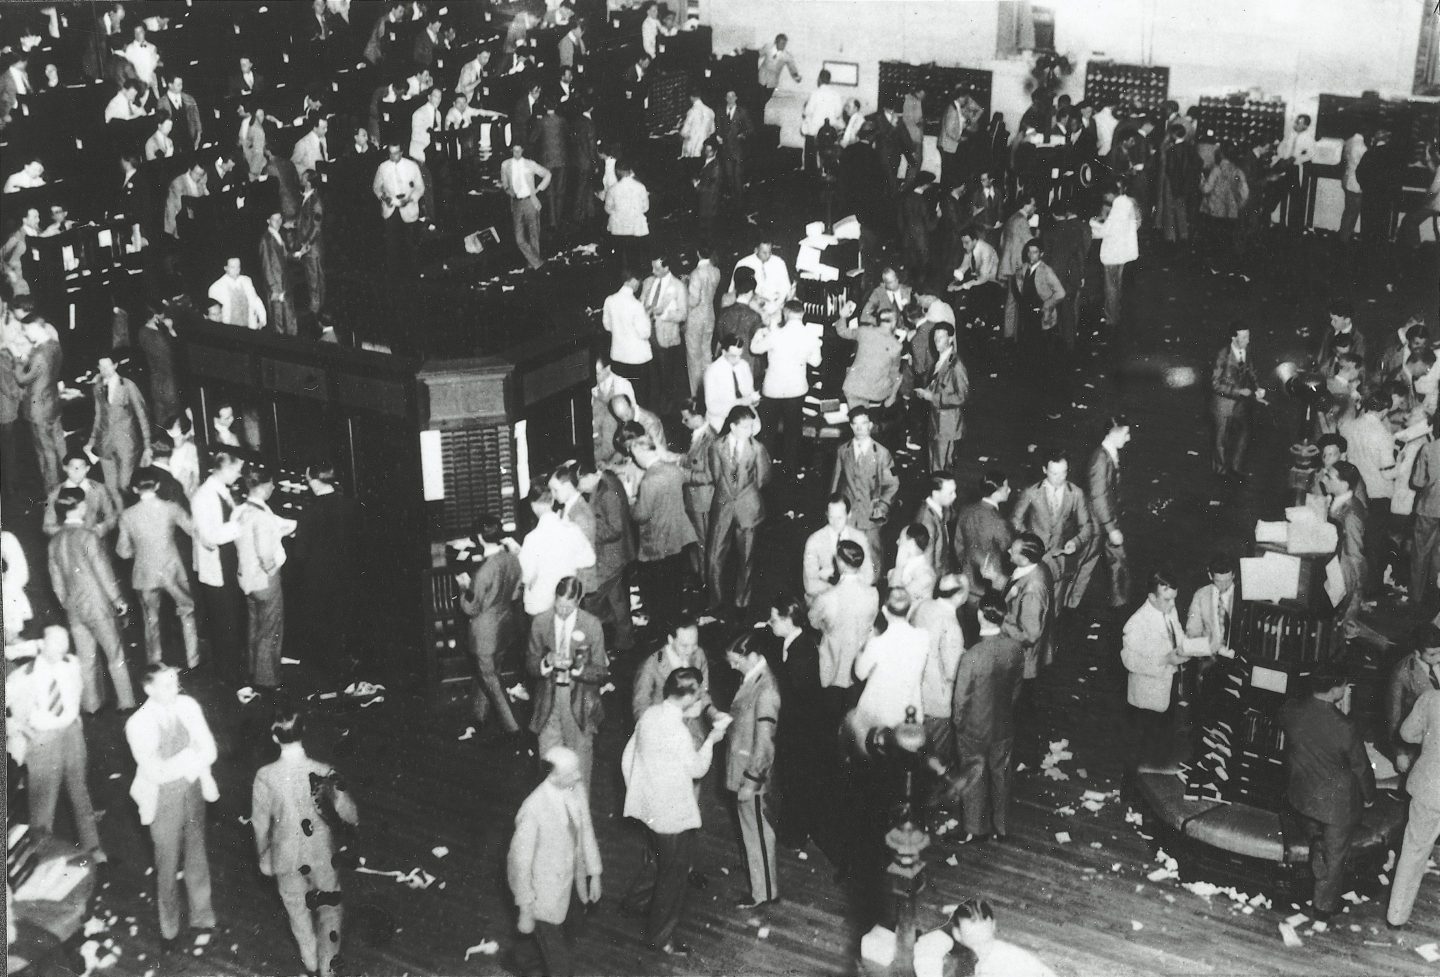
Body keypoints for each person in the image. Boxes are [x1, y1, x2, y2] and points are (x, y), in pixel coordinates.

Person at [622, 667, 731, 956]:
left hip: (649, 808)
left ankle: (635, 902)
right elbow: (697, 768)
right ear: (689, 696)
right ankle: (660, 938)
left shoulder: (650, 716)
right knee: (674, 875)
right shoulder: (678, 732)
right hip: (671, 815)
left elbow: (629, 755)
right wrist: (711, 740)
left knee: (658, 859)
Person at [251, 701, 358, 977]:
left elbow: (260, 822)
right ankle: (327, 965)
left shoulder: (264, 777)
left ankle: (309, 958)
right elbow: (350, 815)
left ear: (274, 737)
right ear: (304, 731)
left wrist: (264, 855)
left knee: (296, 907)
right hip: (321, 854)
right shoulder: (324, 771)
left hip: (285, 855)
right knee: (330, 910)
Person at [125, 664, 219, 951]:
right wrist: (192, 756)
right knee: (166, 863)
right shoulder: (137, 724)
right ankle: (169, 927)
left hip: (192, 791)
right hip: (162, 799)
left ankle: (202, 915)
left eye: (175, 682)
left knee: (197, 853)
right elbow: (156, 773)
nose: (174, 689)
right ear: (148, 689)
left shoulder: (188, 705)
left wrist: (187, 763)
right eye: (166, 685)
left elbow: (211, 750)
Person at [1279, 663, 1376, 920]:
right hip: (1336, 806)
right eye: (1344, 685)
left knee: (1313, 825)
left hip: (1302, 794)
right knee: (1336, 857)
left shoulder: (1290, 711)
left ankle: (1315, 839)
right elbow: (1361, 768)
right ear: (1334, 690)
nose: (1345, 688)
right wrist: (1369, 797)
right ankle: (1323, 908)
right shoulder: (1345, 726)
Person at [6, 626, 107, 862]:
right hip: (42, 740)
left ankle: (93, 847)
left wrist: (75, 719)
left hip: (71, 733)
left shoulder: (71, 663)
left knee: (79, 790)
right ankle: (41, 857)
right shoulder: (24, 676)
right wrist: (15, 726)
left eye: (65, 646)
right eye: (56, 646)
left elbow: (77, 689)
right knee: (43, 800)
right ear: (44, 644)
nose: (62, 650)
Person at [508, 745, 602, 977]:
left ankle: (522, 959)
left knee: (564, 933)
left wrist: (595, 873)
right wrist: (526, 907)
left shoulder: (575, 788)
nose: (579, 776)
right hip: (543, 894)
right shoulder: (533, 809)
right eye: (572, 773)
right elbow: (519, 863)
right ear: (553, 775)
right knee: (560, 962)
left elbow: (586, 830)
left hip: (570, 885)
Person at [48, 488, 135, 712]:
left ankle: (91, 705)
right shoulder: (88, 536)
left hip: (73, 607)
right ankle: (126, 702)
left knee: (86, 659)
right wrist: (117, 599)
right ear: (79, 506)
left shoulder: (55, 541)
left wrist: (66, 603)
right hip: (97, 605)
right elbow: (103, 572)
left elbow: (56, 582)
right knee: (115, 655)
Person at [949, 596, 1024, 843]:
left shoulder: (972, 655)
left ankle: (973, 828)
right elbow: (1015, 688)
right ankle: (1001, 827)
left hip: (974, 727)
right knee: (1001, 774)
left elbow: (960, 699)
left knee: (974, 777)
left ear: (981, 615)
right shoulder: (1015, 649)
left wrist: (959, 724)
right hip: (1003, 724)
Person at [527, 577, 608, 792]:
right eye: (559, 604)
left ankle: (579, 816)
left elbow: (601, 671)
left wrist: (577, 668)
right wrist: (546, 662)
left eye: (568, 606)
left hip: (579, 703)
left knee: (579, 767)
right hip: (548, 702)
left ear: (579, 600)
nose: (562, 611)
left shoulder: (591, 625)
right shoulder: (540, 622)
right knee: (547, 762)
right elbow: (531, 664)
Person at [117, 473, 198, 668]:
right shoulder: (171, 507)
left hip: (145, 573)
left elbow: (122, 551)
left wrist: (141, 552)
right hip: (173, 570)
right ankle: (193, 660)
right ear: (158, 485)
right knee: (187, 612)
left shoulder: (127, 515)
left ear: (135, 490)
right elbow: (192, 529)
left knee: (151, 620)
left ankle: (155, 662)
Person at [724, 634, 781, 909]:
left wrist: (752, 780)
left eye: (737, 661)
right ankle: (761, 887)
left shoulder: (766, 689)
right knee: (752, 831)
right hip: (744, 767)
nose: (733, 667)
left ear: (754, 656)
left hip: (752, 775)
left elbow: (765, 741)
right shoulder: (754, 679)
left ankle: (765, 893)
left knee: (758, 832)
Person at [764, 596, 824, 850]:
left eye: (774, 619)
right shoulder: (798, 642)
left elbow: (794, 695)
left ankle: (794, 835)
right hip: (802, 726)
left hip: (799, 729)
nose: (770, 623)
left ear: (789, 620)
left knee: (795, 779)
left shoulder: (800, 653)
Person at [1120, 569, 1193, 770]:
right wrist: (1165, 660)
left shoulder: (1168, 608)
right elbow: (1129, 661)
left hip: (1167, 685)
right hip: (1146, 695)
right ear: (1151, 597)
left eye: (1174, 599)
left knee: (1162, 740)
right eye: (1167, 600)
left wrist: (1185, 649)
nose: (1172, 604)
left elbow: (1176, 632)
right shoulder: (1137, 623)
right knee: (1141, 749)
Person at [459, 514, 523, 740]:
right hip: (505, 623)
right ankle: (478, 715)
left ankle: (513, 727)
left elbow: (471, 608)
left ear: (478, 537)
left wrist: (464, 588)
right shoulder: (512, 560)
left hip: (485, 631)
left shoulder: (484, 571)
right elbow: (516, 592)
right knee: (488, 671)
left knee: (490, 678)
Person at [706, 406, 772, 613]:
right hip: (724, 505)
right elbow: (718, 475)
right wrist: (732, 489)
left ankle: (742, 602)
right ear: (733, 427)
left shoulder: (757, 449)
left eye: (751, 426)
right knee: (713, 556)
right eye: (745, 427)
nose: (750, 431)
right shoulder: (717, 446)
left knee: (746, 558)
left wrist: (742, 492)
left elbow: (763, 478)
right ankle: (714, 600)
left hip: (748, 508)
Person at [234, 469, 295, 690]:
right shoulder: (261, 516)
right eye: (271, 484)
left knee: (254, 625)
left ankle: (253, 669)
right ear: (261, 487)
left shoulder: (242, 510)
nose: (274, 488)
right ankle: (268, 679)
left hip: (246, 578)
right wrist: (272, 572)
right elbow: (265, 553)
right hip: (264, 579)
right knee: (271, 629)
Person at [630, 434, 698, 629]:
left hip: (657, 542)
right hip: (677, 536)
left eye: (635, 454)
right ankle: (675, 622)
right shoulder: (673, 470)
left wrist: (630, 504)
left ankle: (661, 628)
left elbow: (641, 515)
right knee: (674, 585)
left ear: (642, 451)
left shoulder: (649, 480)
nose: (634, 459)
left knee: (657, 592)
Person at [808, 540, 879, 723]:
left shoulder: (827, 597)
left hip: (833, 665)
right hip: (860, 665)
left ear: (839, 563)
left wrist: (828, 629)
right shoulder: (873, 593)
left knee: (832, 718)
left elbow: (813, 622)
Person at [1387, 685, 1440, 928]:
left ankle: (1396, 916)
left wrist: (1429, 736)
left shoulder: (1431, 698)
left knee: (1414, 849)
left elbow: (1407, 734)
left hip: (1431, 787)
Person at [192, 450, 247, 682]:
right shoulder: (204, 496)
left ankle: (234, 669)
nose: (240, 474)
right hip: (217, 567)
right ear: (223, 469)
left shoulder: (221, 490)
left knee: (232, 619)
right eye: (236, 470)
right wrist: (239, 524)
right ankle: (228, 676)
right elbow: (211, 535)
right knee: (224, 623)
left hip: (227, 564)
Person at [750, 299, 822, 474]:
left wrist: (760, 333)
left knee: (769, 431)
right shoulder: (810, 335)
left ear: (785, 313)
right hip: (796, 389)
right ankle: (789, 469)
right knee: (793, 431)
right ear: (803, 314)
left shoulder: (776, 334)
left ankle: (765, 468)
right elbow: (816, 362)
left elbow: (755, 349)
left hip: (773, 389)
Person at [1340, 392, 1398, 597]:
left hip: (1355, 490)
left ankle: (1349, 587)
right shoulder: (1382, 434)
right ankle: (1370, 588)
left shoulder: (1349, 426)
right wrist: (1402, 464)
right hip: (1377, 492)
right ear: (1384, 411)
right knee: (1374, 543)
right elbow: (1387, 470)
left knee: (1354, 541)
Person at [1072, 415, 1131, 610]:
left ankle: (1119, 601)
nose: (1128, 438)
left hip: (1104, 519)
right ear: (1113, 433)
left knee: (1114, 560)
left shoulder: (1109, 453)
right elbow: (1098, 496)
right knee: (1084, 564)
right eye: (1126, 433)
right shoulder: (1100, 458)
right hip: (1099, 522)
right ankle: (1068, 602)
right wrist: (1111, 528)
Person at [830, 406, 899, 571]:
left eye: (864, 423)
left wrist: (882, 506)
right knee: (846, 554)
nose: (860, 428)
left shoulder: (882, 454)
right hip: (849, 514)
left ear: (870, 425)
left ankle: (872, 588)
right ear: (851, 426)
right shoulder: (843, 450)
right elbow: (835, 482)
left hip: (870, 514)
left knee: (872, 555)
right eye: (855, 424)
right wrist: (832, 508)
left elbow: (892, 484)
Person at [914, 900, 1058, 977]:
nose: (981, 947)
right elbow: (927, 951)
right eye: (974, 939)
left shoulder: (1007, 958)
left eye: (984, 937)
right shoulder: (942, 940)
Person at [519, 486, 596, 617]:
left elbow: (525, 576)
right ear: (553, 501)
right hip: (567, 599)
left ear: (533, 506)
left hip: (540, 604)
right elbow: (589, 559)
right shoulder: (572, 530)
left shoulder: (532, 539)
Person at [1210, 323, 1265, 479]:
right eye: (1244, 337)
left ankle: (1235, 466)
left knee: (1245, 432)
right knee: (1221, 439)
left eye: (1248, 336)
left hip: (1240, 404)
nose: (1248, 340)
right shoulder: (1223, 355)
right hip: (1223, 404)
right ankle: (1220, 472)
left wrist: (1258, 387)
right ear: (1233, 338)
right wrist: (1238, 391)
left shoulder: (1246, 351)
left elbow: (1252, 371)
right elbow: (1215, 384)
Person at [631, 618, 710, 722]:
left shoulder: (699, 654)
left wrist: (713, 713)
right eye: (684, 646)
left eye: (694, 644)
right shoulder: (651, 664)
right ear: (670, 639)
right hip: (661, 724)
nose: (690, 651)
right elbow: (640, 707)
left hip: (693, 723)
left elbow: (703, 691)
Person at [17, 316, 64, 490]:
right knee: (58, 444)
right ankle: (65, 481)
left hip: (38, 408)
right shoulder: (55, 345)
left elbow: (22, 378)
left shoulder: (38, 354)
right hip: (52, 402)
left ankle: (52, 488)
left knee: (44, 450)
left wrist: (18, 359)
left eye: (26, 329)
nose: (25, 333)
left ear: (36, 328)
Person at [1325, 461, 1369, 647]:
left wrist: (1355, 592)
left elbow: (1355, 554)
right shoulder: (1338, 500)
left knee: (1342, 628)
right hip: (1337, 565)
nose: (1324, 479)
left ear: (1343, 484)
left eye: (1329, 477)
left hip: (1345, 573)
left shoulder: (1351, 514)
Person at [915, 321, 968, 471]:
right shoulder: (941, 360)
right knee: (935, 465)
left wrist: (932, 397)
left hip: (948, 426)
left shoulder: (956, 365)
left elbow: (962, 397)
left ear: (950, 339)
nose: (937, 341)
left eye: (941, 337)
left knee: (943, 469)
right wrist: (927, 391)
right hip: (936, 423)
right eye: (935, 337)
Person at [640, 254, 689, 410]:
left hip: (665, 336)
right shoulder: (647, 282)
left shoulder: (678, 286)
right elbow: (641, 303)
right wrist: (645, 310)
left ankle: (666, 406)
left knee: (665, 374)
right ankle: (651, 404)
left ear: (667, 268)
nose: (653, 271)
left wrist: (664, 314)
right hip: (646, 333)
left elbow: (683, 314)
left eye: (657, 268)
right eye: (652, 267)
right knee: (650, 373)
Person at [803, 494, 875, 597]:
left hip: (852, 597)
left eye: (840, 518)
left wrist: (828, 577)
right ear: (827, 514)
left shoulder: (859, 538)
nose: (835, 523)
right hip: (823, 598)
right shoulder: (814, 540)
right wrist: (839, 590)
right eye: (831, 517)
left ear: (849, 514)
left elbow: (869, 576)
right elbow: (810, 585)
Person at [955, 470, 1013, 595]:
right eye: (1006, 487)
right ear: (996, 492)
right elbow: (1007, 551)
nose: (1009, 490)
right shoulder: (998, 520)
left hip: (966, 580)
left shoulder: (966, 510)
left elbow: (958, 543)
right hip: (989, 584)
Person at [602, 269, 654, 406]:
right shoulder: (636, 305)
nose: (639, 285)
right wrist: (647, 316)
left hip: (618, 358)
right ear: (632, 281)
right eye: (638, 281)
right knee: (640, 400)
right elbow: (645, 333)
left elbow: (607, 326)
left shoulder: (609, 300)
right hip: (637, 360)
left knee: (623, 399)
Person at [43, 451, 119, 538]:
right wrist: (70, 533)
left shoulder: (99, 489)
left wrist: (99, 529)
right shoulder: (55, 494)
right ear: (65, 468)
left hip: (96, 541)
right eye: (72, 467)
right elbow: (48, 525)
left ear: (87, 468)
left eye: (81, 467)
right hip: (69, 543)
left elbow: (112, 517)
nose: (77, 471)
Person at [500, 142, 551, 271]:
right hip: (516, 203)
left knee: (534, 235)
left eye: (519, 150)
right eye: (514, 150)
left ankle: (534, 265)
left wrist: (539, 189)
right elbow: (504, 183)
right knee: (519, 239)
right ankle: (538, 263)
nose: (516, 153)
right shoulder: (505, 165)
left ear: (522, 150)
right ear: (511, 150)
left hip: (530, 201)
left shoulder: (530, 164)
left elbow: (547, 174)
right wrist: (508, 191)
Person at [1099, 179, 1140, 327]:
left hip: (1112, 254)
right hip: (1125, 253)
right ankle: (1118, 315)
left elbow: (1106, 230)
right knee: (1120, 286)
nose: (1105, 198)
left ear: (1111, 194)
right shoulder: (1129, 203)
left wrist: (1093, 225)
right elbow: (1136, 223)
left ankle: (1111, 319)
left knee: (1111, 287)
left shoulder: (1118, 206)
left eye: (1106, 195)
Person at [702, 334, 759, 432]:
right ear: (723, 352)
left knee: (753, 428)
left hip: (744, 415)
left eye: (740, 355)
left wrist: (754, 400)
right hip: (722, 418)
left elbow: (749, 391)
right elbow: (711, 407)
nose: (738, 360)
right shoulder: (712, 371)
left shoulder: (744, 365)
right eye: (733, 356)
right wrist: (738, 402)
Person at [685, 247, 721, 395]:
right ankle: (710, 389)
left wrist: (684, 287)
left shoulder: (696, 273)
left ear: (697, 253)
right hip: (710, 315)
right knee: (707, 353)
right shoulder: (716, 271)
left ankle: (696, 394)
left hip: (695, 318)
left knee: (694, 357)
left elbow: (693, 300)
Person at [912, 471, 959, 578]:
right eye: (950, 493)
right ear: (935, 493)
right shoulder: (927, 522)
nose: (955, 496)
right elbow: (927, 565)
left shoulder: (940, 510)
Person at [605, 162, 649, 268]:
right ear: (630, 171)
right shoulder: (641, 187)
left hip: (618, 229)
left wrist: (619, 213)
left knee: (618, 260)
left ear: (617, 172)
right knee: (635, 258)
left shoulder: (613, 189)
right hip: (635, 228)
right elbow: (645, 208)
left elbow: (607, 209)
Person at [260, 212, 297, 336]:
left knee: (289, 318)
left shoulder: (278, 234)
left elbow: (284, 255)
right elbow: (266, 267)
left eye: (279, 219)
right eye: (274, 219)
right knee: (278, 322)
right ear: (268, 221)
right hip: (276, 287)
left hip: (285, 283)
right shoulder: (266, 240)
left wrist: (297, 254)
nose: (278, 222)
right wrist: (274, 289)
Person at [714, 90, 753, 205]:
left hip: (738, 149)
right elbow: (717, 126)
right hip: (725, 149)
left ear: (736, 98)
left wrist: (742, 135)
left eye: (732, 97)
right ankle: (732, 199)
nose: (730, 99)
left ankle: (740, 201)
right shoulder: (720, 111)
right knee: (729, 175)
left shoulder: (742, 112)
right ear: (725, 98)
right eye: (728, 97)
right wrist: (718, 136)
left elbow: (750, 128)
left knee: (737, 176)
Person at [801, 70, 844, 172]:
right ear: (829, 80)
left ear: (819, 79)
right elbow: (838, 113)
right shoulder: (836, 95)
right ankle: (829, 170)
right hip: (831, 132)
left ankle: (810, 171)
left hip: (816, 132)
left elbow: (808, 112)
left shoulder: (815, 94)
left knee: (810, 142)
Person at [208, 257, 267, 330]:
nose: (237, 270)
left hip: (250, 327)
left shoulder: (247, 281)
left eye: (238, 267)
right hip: (229, 330)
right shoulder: (215, 288)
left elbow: (256, 301)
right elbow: (214, 314)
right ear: (226, 268)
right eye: (233, 267)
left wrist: (262, 320)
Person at [889, 524, 937, 607]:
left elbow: (896, 601)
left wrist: (899, 567)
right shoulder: (904, 567)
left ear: (911, 543)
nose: (897, 542)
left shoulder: (926, 575)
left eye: (900, 539)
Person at [756, 34, 800, 110]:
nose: (783, 46)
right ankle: (757, 119)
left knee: (763, 103)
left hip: (772, 83)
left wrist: (796, 77)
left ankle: (759, 119)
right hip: (760, 79)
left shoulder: (786, 56)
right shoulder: (768, 47)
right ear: (776, 42)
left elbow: (792, 68)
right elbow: (757, 54)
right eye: (782, 43)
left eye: (785, 44)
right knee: (758, 102)